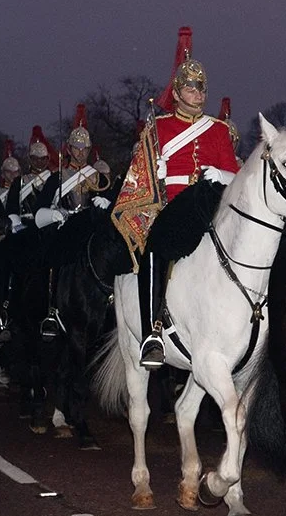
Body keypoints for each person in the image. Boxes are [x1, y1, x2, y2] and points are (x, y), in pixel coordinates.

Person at [111, 26, 240, 369]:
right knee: (157, 244)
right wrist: (159, 173)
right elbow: (140, 177)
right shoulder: (159, 128)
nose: (197, 94)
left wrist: (223, 176)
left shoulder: (218, 130)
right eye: (190, 87)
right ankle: (153, 330)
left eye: (201, 88)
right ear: (177, 92)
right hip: (173, 206)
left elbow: (234, 174)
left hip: (212, 201)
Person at [34, 104, 112, 338]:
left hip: (91, 228)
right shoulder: (56, 178)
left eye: (84, 148)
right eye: (76, 148)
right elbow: (39, 212)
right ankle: (52, 309)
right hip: (66, 228)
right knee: (54, 256)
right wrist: (54, 214)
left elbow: (109, 203)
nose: (80, 152)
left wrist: (105, 204)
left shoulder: (97, 177)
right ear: (69, 148)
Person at [6, 126, 55, 229]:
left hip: (51, 224)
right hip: (26, 225)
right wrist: (16, 223)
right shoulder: (19, 181)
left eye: (43, 159)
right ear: (30, 159)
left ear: (48, 159)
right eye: (35, 159)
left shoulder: (54, 179)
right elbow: (11, 206)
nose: (39, 162)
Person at [0, 140, 20, 208]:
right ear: (3, 174)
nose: (12, 175)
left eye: (15, 172)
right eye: (8, 172)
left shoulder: (24, 191)